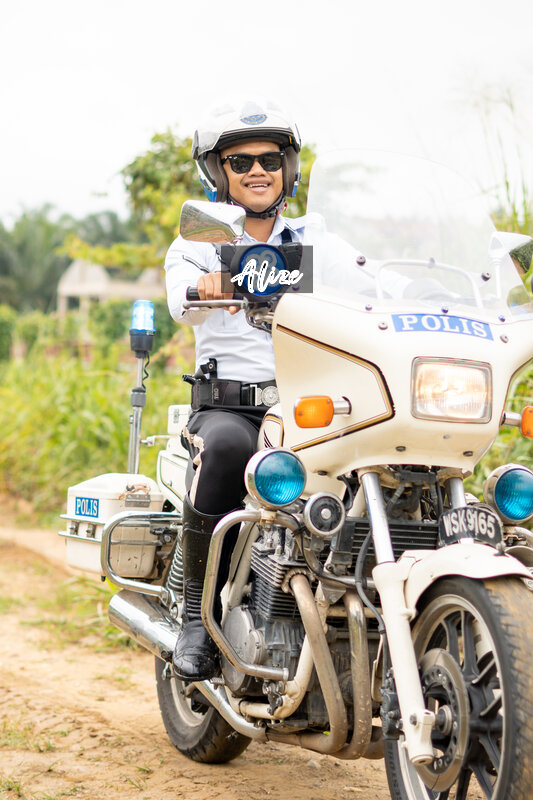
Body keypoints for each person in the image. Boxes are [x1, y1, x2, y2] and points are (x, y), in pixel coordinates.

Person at [164, 99, 305, 681]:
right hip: (230, 407)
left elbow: (369, 277)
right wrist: (204, 284)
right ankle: (197, 618)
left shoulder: (316, 238)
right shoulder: (199, 240)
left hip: (309, 407)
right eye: (240, 161)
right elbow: (181, 301)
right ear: (218, 173)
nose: (257, 170)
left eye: (269, 159)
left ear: (288, 168)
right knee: (226, 450)